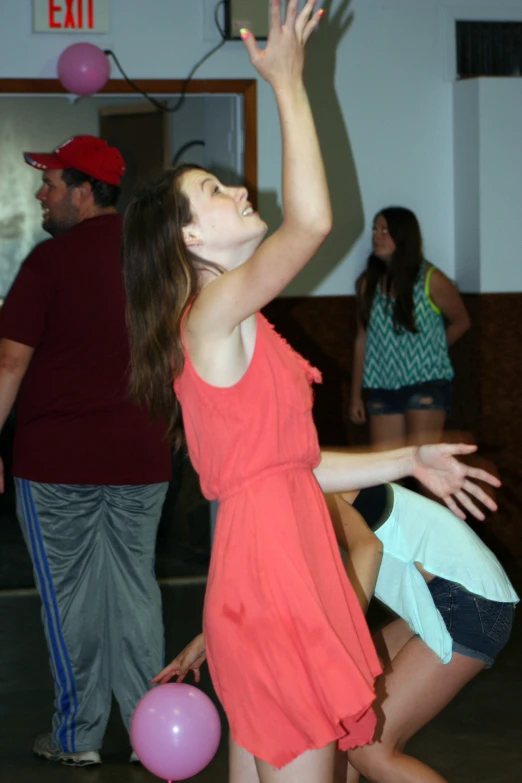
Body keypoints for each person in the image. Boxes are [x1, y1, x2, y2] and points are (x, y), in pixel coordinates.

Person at [123, 3, 499, 781]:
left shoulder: (241, 326)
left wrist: (409, 455)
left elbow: (295, 468)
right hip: (275, 578)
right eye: (213, 192)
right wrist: (291, 83)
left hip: (271, 567)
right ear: (189, 240)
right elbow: (315, 221)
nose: (234, 190)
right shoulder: (211, 315)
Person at [0, 134, 171, 766]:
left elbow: (8, 364)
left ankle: (78, 737)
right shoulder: (157, 259)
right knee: (135, 593)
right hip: (140, 459)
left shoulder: (50, 263)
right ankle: (154, 734)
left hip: (57, 465)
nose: (40, 196)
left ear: (83, 191)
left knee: (69, 596)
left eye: (49, 184)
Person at [326, 486, 518, 783]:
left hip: (466, 600)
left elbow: (367, 547)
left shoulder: (310, 484)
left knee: (370, 750)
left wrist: (341, 639)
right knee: (351, 717)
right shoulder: (311, 477)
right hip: (447, 596)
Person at [349, 207, 471, 448]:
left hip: (425, 382)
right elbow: (361, 340)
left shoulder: (431, 278)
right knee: (386, 476)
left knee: (424, 470)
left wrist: (433, 350)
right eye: (375, 229)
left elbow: (462, 322)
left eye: (385, 230)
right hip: (382, 385)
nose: (377, 235)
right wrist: (355, 397)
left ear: (403, 235)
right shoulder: (368, 283)